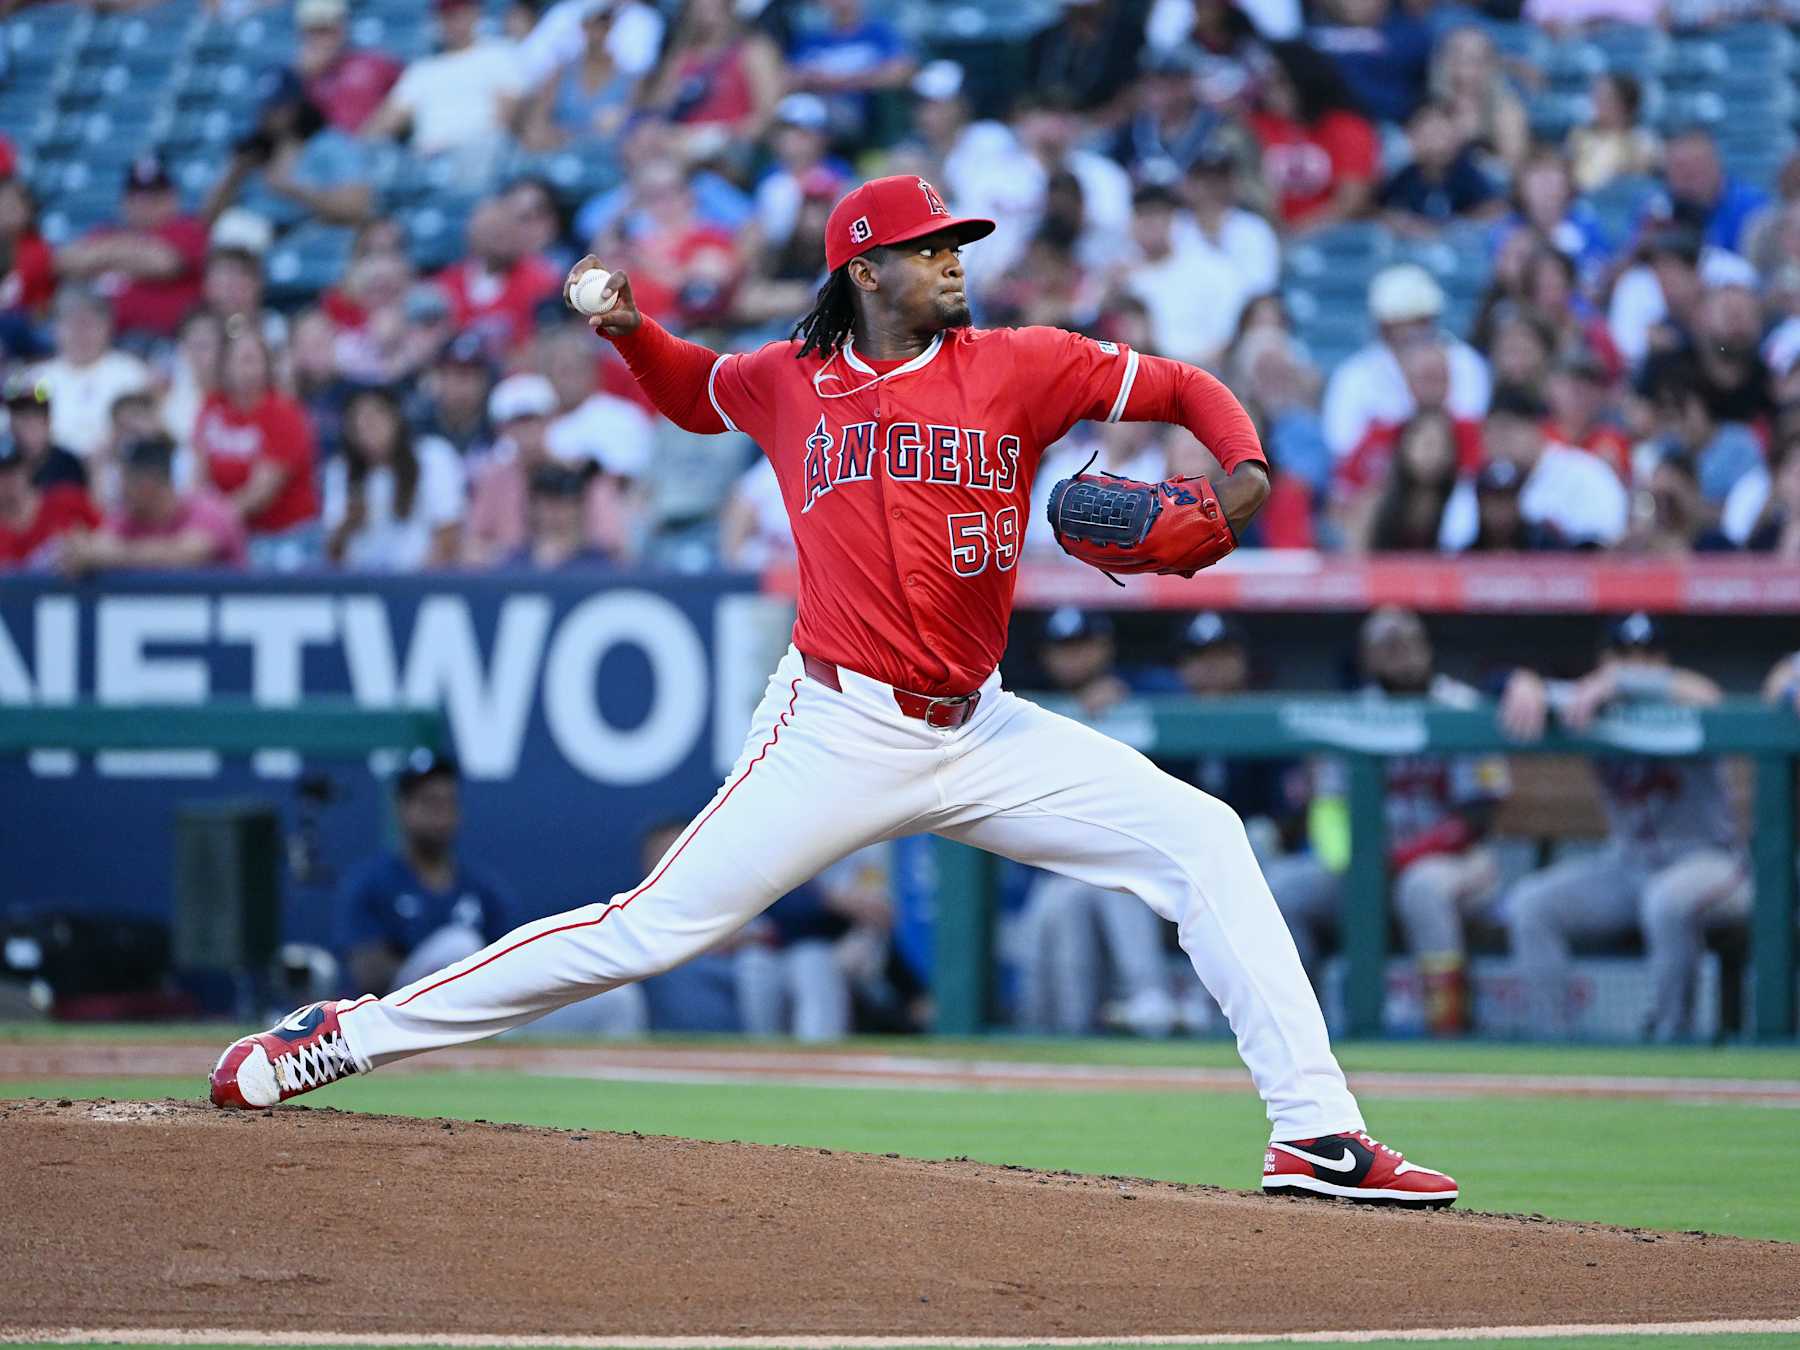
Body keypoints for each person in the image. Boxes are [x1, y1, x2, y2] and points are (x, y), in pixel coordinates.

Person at [210, 172, 1458, 1211]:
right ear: (867, 271)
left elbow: (1184, 387)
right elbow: (696, 392)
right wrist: (626, 330)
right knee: (648, 930)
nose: (956, 262)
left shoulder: (1019, 365)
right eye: (930, 249)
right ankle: (349, 1033)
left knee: (1205, 838)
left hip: (983, 727)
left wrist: (1238, 483)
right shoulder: (791, 379)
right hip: (838, 723)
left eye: (958, 243)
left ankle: (1316, 1133)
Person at [1498, 614, 1748, 1041]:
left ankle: (1673, 1040)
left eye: (1647, 655)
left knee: (1665, 901)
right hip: (1628, 866)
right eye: (1624, 655)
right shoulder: (1591, 701)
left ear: (1663, 659)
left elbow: (1710, 696)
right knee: (1530, 905)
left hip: (1710, 862)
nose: (1636, 663)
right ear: (1603, 660)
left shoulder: (1680, 697)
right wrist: (1523, 681)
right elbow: (1505, 688)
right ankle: (1553, 1046)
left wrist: (1625, 679)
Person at [1264, 608, 1509, 1035]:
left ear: (1429, 649)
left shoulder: (1461, 706)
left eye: (1412, 642)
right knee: (1282, 888)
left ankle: (1447, 1025)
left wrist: (1401, 858)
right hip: (1373, 862)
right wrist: (1352, 862)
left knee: (1423, 887)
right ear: (1367, 659)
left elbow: (1479, 815)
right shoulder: (1353, 715)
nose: (1404, 654)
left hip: (1460, 864)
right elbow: (1328, 809)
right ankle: (1299, 1027)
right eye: (1390, 646)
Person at [337, 752, 518, 997]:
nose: (441, 815)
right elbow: (370, 977)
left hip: (483, 1013)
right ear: (403, 808)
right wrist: (434, 967)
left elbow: (510, 970)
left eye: (448, 803)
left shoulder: (483, 890)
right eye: (430, 803)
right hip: (400, 1011)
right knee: (461, 946)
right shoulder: (372, 883)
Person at [1322, 263, 1491, 460]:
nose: (1414, 331)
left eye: (1421, 320)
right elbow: (1342, 446)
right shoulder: (1353, 375)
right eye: (1402, 321)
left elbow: (1474, 429)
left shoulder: (1465, 362)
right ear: (1383, 326)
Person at [1438, 385, 1628, 552]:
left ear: (1537, 429)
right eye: (1489, 432)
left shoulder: (1586, 472)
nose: (1497, 442)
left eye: (1506, 430)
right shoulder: (1475, 481)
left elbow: (1606, 543)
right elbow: (1453, 546)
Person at [465, 372, 631, 564]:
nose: (527, 430)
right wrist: (518, 558)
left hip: (582, 573)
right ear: (502, 429)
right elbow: (472, 546)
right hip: (512, 578)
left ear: (551, 419)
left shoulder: (584, 472)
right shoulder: (493, 479)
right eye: (517, 422)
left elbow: (613, 544)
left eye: (534, 419)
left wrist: (569, 550)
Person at [193, 326, 321, 568]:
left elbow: (260, 493)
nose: (244, 369)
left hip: (285, 537)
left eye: (252, 360)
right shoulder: (211, 406)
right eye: (237, 360)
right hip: (230, 532)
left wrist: (209, 523)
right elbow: (199, 475)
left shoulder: (284, 413)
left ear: (266, 367)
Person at [53, 155, 207, 341]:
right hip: (105, 343)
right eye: (136, 197)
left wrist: (103, 257)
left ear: (172, 199)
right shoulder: (106, 231)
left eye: (154, 198)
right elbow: (65, 262)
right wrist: (135, 253)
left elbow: (164, 264)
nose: (144, 205)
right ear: (124, 201)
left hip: (167, 340)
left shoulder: (186, 229)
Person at [363, 0, 524, 165]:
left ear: (475, 13)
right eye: (445, 15)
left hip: (477, 158)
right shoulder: (422, 69)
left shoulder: (499, 54)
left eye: (459, 13)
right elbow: (383, 123)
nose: (451, 22)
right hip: (425, 160)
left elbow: (504, 118)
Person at [323, 385, 465, 570]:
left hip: (421, 580)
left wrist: (416, 584)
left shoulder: (432, 456)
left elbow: (448, 531)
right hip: (361, 586)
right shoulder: (341, 469)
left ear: (396, 419)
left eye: (374, 419)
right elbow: (332, 552)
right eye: (357, 422)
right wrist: (348, 524)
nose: (366, 429)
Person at [58, 434, 246, 573]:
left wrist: (109, 556)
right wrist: (82, 552)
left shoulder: (208, 508)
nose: (120, 490)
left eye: (125, 482)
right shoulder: (128, 515)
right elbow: (99, 546)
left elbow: (186, 554)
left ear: (148, 485)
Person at [1245, 40, 1379, 232]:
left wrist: (1295, 234)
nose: (1270, 92)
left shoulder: (1346, 127)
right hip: (1262, 235)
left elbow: (1351, 201)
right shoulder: (1255, 125)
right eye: (1266, 83)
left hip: (1330, 237)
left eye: (1280, 82)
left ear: (1304, 81)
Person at [27, 287, 152, 460]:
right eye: (72, 324)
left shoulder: (131, 373)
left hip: (113, 464)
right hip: (51, 468)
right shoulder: (39, 379)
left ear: (108, 327)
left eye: (89, 324)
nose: (80, 333)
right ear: (55, 329)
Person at [436, 195, 564, 358]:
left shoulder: (541, 281)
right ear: (472, 235)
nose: (500, 239)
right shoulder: (447, 284)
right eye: (492, 231)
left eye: (505, 231)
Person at [783, 0, 916, 146]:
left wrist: (841, 81)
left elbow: (901, 72)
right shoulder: (811, 39)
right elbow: (789, 78)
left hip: (867, 115)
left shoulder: (879, 33)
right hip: (818, 113)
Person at [519, 0, 637, 152]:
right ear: (584, 27)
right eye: (594, 25)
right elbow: (535, 125)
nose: (599, 32)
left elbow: (625, 132)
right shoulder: (560, 72)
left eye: (605, 25)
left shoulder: (628, 78)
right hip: (555, 154)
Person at [1379, 101, 1503, 235]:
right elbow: (1383, 207)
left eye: (1438, 134)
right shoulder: (1407, 175)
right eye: (1423, 133)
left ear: (1454, 139)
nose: (1430, 142)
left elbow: (1492, 207)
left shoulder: (1465, 171)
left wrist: (1447, 227)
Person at [295, 0, 403, 134]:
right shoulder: (298, 77)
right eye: (315, 32)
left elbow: (407, 100)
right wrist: (303, 78)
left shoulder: (376, 64)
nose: (322, 39)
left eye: (328, 30)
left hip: (371, 144)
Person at [0, 434, 99, 568]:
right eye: (2, 473)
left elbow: (109, 536)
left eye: (13, 470)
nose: (8, 479)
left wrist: (87, 552)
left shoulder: (66, 500)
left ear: (27, 469)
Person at [502, 462, 620, 569]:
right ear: (532, 509)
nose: (555, 514)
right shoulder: (515, 561)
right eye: (548, 505)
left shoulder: (599, 563)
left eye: (564, 505)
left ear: (579, 509)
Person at [1568, 72, 1660, 193]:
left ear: (1623, 103)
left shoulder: (1644, 141)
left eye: (1604, 98)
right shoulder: (1580, 137)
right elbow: (1571, 178)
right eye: (1596, 97)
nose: (1596, 103)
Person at [1, 371, 86, 491]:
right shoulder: (4, 463)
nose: (27, 424)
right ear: (10, 423)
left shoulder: (68, 465)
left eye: (34, 416)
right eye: (20, 416)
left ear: (48, 421)